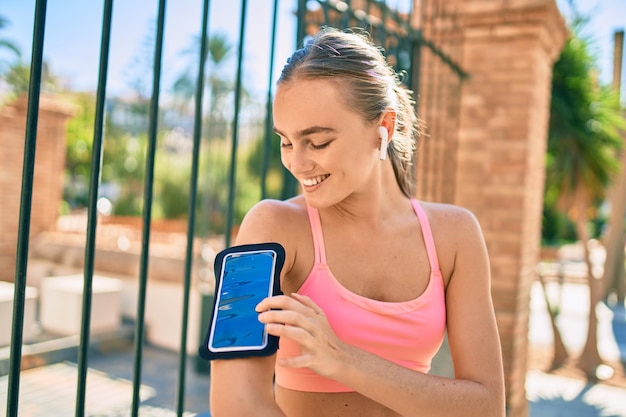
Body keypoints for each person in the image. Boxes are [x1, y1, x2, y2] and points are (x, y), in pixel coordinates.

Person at [209, 27, 505, 417]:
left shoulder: (455, 235)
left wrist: (344, 360)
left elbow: (486, 407)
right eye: (285, 141)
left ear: (382, 129)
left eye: (318, 142)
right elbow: (236, 404)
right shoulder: (269, 227)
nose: (297, 163)